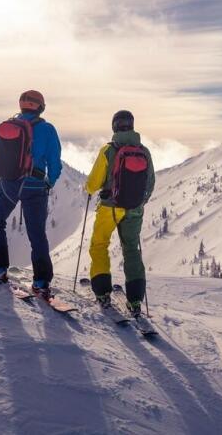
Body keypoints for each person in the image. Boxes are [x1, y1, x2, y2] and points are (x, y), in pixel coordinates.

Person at [0, 90, 62, 297]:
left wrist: (8, 172)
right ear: (41, 107)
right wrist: (48, 182)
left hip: (9, 185)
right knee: (37, 234)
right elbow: (55, 163)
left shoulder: (8, 127)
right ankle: (41, 282)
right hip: (36, 187)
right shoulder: (47, 129)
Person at [85, 110, 155, 316]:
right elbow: (150, 183)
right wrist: (139, 202)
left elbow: (93, 183)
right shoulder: (144, 151)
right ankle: (135, 300)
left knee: (99, 245)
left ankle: (102, 291)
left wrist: (89, 190)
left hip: (109, 208)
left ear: (114, 126)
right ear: (132, 126)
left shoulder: (108, 150)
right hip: (134, 209)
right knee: (131, 249)